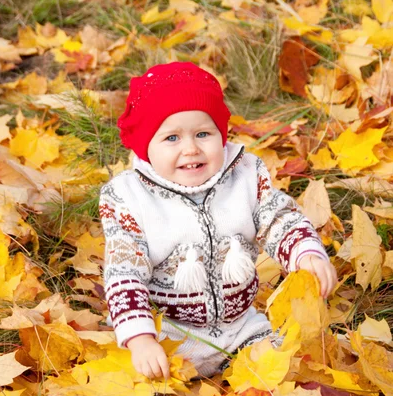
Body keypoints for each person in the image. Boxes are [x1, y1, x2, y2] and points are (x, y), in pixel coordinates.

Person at [99, 62, 337, 379]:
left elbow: (278, 218)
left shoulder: (245, 175)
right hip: (169, 335)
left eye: (203, 133)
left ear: (221, 135)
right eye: (171, 138)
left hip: (240, 327)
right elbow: (124, 272)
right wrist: (140, 338)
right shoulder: (129, 197)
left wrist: (304, 252)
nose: (191, 148)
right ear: (146, 145)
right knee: (145, 384)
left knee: (288, 366)